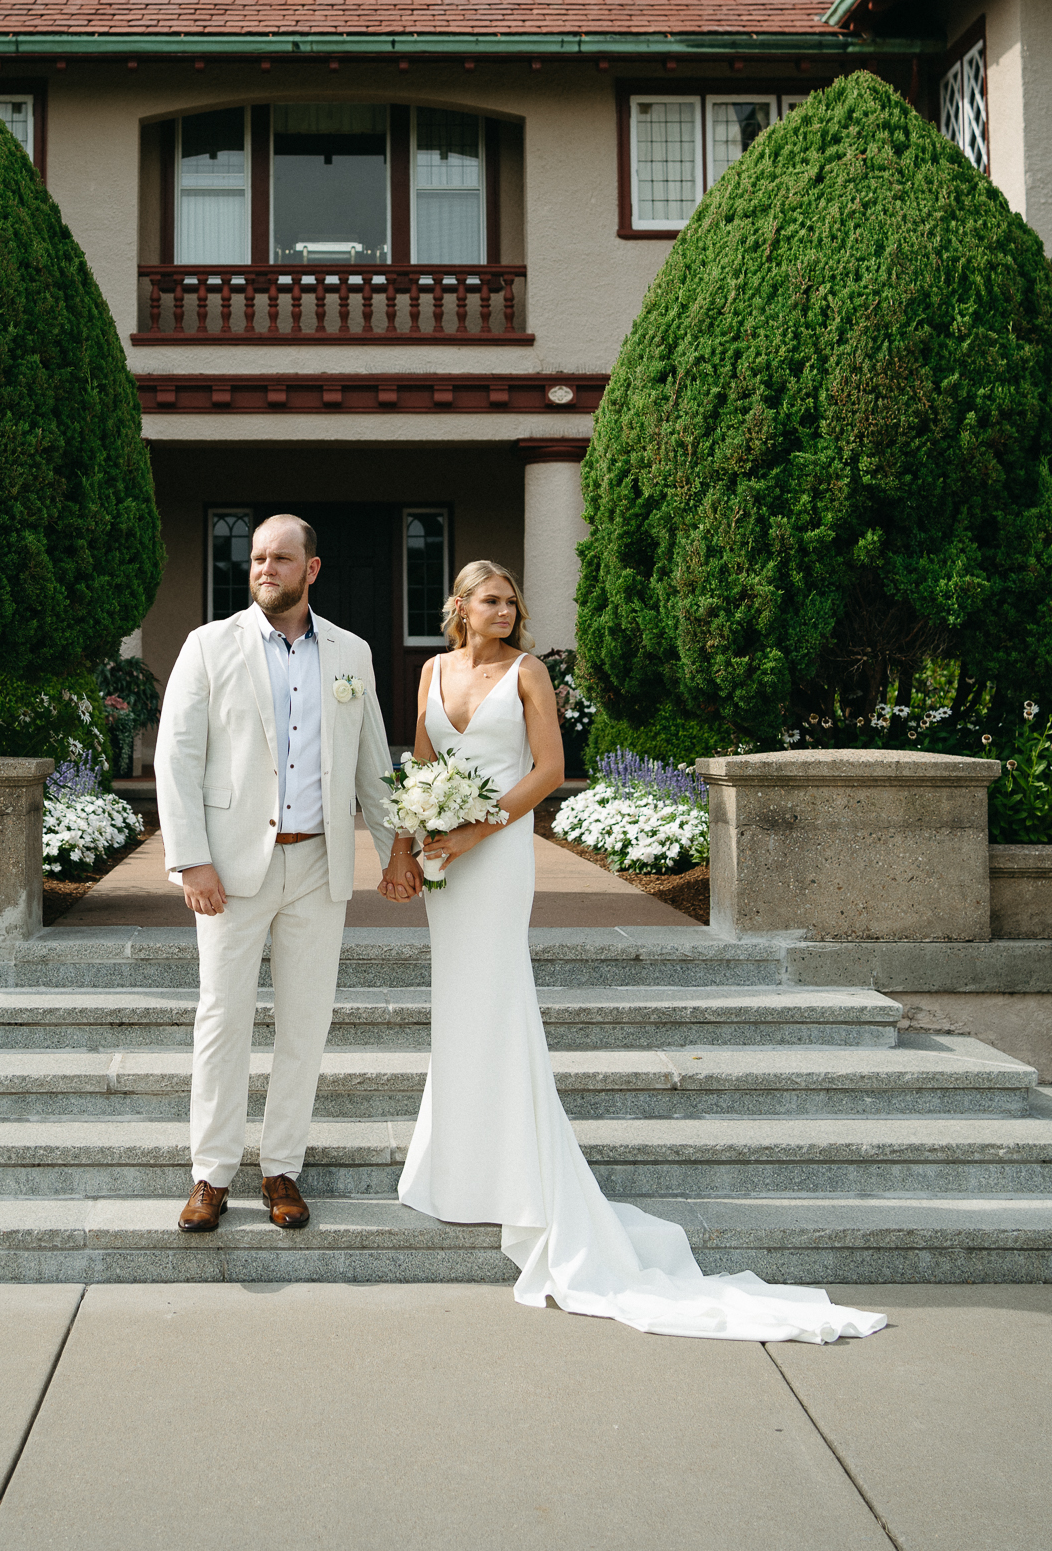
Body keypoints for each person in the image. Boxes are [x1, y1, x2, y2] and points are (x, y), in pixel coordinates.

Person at [379, 559, 886, 1343]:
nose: (505, 610)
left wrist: (477, 828)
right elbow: (420, 767)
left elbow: (547, 770)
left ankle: (517, 1172)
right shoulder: (430, 672)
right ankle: (455, 1164)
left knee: (497, 994)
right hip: (445, 855)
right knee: (457, 1003)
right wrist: (410, 843)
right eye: (491, 600)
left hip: (497, 852)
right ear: (459, 607)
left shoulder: (527, 675)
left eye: (512, 600)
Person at [155, 512, 395, 1234]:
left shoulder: (351, 653)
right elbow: (177, 759)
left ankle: (280, 1168)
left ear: (310, 570)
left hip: (319, 866)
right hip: (228, 870)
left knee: (304, 1027)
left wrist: (399, 850)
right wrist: (190, 858)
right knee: (222, 1021)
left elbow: (373, 763)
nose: (265, 569)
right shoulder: (207, 646)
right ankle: (211, 1174)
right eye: (257, 557)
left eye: (281, 559)